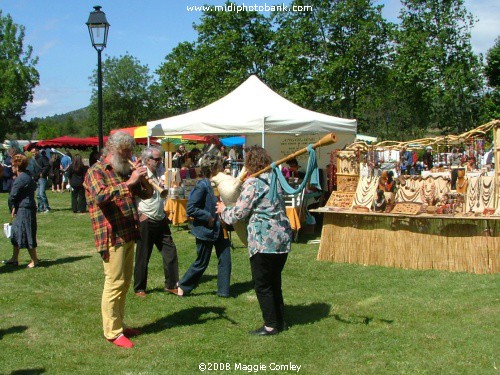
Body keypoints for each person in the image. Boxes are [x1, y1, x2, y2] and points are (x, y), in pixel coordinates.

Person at [83, 131, 153, 349]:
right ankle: (112, 332)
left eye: (131, 151)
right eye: (126, 152)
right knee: (114, 283)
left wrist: (144, 179)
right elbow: (101, 196)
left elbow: (147, 195)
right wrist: (129, 183)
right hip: (111, 235)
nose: (130, 156)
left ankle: (119, 324)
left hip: (129, 231)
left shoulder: (124, 170)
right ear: (112, 150)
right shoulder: (96, 171)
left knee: (124, 282)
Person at [216, 146, 292, 335]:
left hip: (264, 240)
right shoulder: (275, 179)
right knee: (274, 282)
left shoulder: (254, 183)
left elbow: (239, 212)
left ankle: (270, 326)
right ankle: (280, 321)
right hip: (282, 238)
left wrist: (222, 210)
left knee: (263, 284)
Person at [177, 154, 231, 298]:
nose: (223, 168)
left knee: (225, 260)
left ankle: (224, 291)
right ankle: (183, 285)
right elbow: (191, 208)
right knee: (202, 262)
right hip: (206, 229)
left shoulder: (221, 184)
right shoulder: (202, 185)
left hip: (221, 228)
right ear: (213, 168)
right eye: (220, 166)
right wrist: (208, 217)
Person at [134, 146, 179, 297]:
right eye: (157, 159)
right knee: (143, 255)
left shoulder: (159, 171)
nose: (160, 161)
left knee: (170, 251)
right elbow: (132, 196)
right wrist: (139, 214)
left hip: (160, 218)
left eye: (160, 158)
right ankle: (139, 288)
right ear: (147, 160)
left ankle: (171, 285)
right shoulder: (140, 174)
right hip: (146, 219)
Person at [2, 154, 39, 268]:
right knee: (16, 233)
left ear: (17, 167)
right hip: (25, 207)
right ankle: (14, 258)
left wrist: (12, 207)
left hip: (25, 209)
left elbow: (12, 196)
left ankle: (34, 260)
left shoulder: (21, 179)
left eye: (12, 166)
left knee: (27, 233)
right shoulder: (28, 176)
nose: (11, 168)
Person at [31, 148, 51, 213]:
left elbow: (47, 166)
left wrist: (43, 173)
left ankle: (46, 207)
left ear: (37, 151)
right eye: (32, 153)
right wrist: (33, 176)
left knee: (42, 193)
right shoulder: (33, 160)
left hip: (42, 178)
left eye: (34, 152)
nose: (33, 154)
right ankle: (40, 208)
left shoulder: (43, 158)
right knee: (37, 195)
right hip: (36, 178)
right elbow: (33, 169)